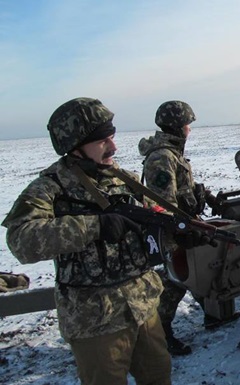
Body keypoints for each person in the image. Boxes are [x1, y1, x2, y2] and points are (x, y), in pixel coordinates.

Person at [1, 97, 175, 385]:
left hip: (143, 307)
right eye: (103, 141)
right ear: (76, 145)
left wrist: (179, 234)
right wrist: (94, 226)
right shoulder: (50, 188)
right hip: (95, 321)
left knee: (159, 376)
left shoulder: (124, 180)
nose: (113, 147)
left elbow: (154, 222)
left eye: (112, 137)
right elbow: (21, 240)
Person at [138, 100, 239, 356]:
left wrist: (204, 195)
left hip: (184, 224)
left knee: (197, 270)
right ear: (176, 126)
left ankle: (212, 313)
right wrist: (182, 231)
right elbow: (162, 202)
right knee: (177, 281)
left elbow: (181, 188)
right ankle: (160, 335)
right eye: (186, 125)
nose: (189, 130)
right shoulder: (161, 157)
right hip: (173, 230)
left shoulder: (172, 153)